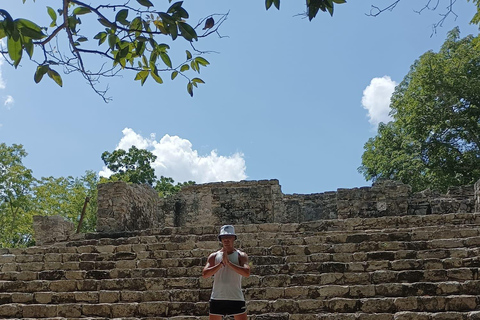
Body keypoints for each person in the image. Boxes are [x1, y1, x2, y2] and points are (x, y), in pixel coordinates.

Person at [202, 225, 251, 320]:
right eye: (224, 237)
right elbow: (205, 274)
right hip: (217, 297)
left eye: (229, 237)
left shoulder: (241, 255)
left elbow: (247, 273)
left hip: (235, 297)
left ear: (233, 238)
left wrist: (229, 264)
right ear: (220, 239)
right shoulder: (214, 256)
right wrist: (220, 264)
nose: (226, 240)